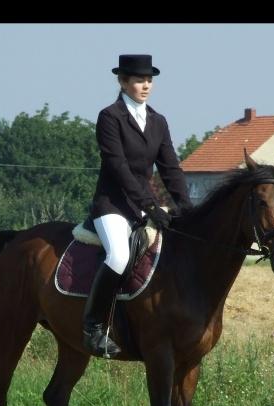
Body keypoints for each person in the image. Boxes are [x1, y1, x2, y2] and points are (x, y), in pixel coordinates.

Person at [82, 54, 192, 358]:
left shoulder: (158, 121)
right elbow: (118, 168)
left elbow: (170, 168)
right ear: (122, 82)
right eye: (139, 80)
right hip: (113, 206)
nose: (146, 85)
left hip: (144, 207)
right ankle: (94, 327)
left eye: (149, 80)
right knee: (118, 256)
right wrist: (151, 206)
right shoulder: (110, 117)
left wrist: (186, 206)